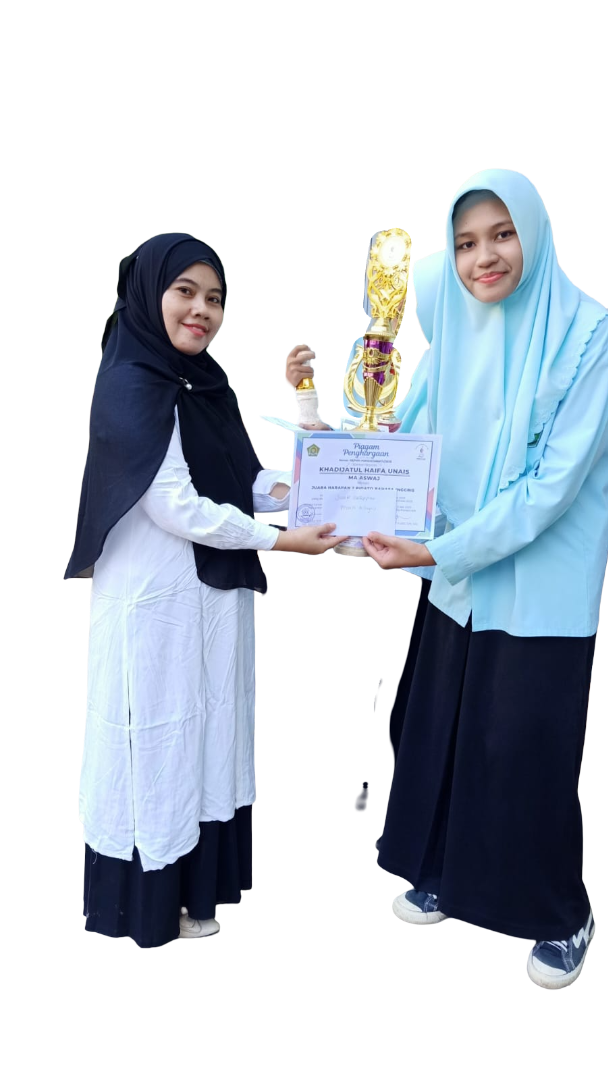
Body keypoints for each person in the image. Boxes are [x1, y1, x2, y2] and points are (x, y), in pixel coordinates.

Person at [70, 170, 606, 986]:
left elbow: (552, 489)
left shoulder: (583, 331)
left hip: (534, 584)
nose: (483, 257)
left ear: (535, 232)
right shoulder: (455, 332)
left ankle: (560, 914)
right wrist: (331, 441)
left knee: (522, 740)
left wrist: (420, 546)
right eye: (465, 241)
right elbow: (397, 439)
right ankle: (447, 876)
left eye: (502, 235)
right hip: (453, 576)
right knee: (443, 728)